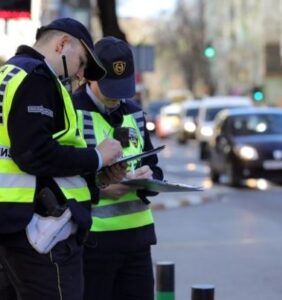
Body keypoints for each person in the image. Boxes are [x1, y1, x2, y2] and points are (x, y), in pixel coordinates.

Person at [0, 18, 127, 300]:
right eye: (81, 63)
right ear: (61, 44)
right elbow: (34, 153)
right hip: (39, 233)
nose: (81, 75)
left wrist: (95, 177)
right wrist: (97, 156)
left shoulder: (8, 73)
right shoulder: (37, 76)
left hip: (13, 225)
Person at [72, 36, 163, 300]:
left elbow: (153, 166)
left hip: (138, 240)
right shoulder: (72, 112)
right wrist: (99, 189)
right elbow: (58, 175)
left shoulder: (134, 111)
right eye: (110, 88)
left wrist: (148, 178)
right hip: (92, 243)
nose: (117, 98)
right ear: (91, 76)